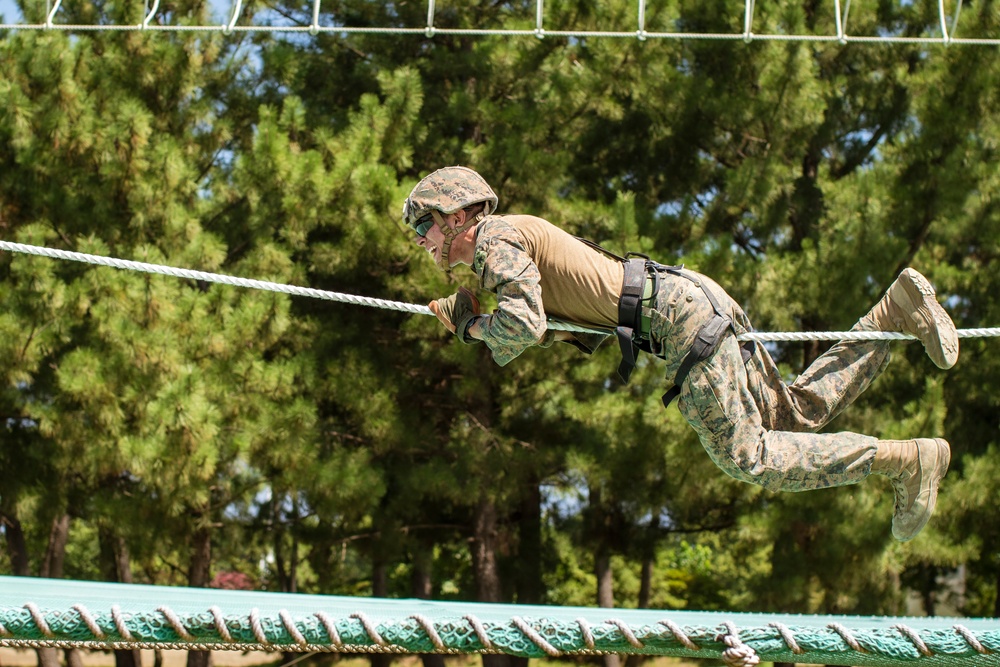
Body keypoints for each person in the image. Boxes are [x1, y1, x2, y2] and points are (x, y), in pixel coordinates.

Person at [402, 165, 958, 542]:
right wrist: (474, 307)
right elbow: (557, 323)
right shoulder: (509, 242)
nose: (421, 240)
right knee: (792, 416)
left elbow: (521, 324)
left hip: (676, 320)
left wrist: (472, 325)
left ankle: (907, 460)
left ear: (457, 217)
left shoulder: (497, 239)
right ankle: (893, 311)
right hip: (687, 297)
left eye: (424, 226)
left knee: (749, 458)